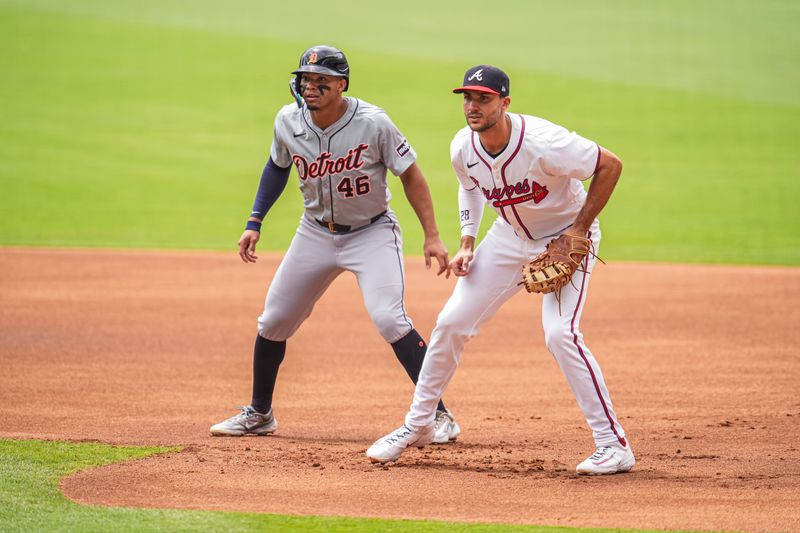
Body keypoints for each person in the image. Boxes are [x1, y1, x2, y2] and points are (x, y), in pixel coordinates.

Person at [366, 65, 634, 475]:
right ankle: (418, 424)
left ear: (505, 103)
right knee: (452, 322)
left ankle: (612, 445)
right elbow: (470, 186)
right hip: (508, 238)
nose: (473, 106)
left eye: (483, 98)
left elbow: (610, 165)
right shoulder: (463, 146)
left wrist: (578, 229)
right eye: (467, 98)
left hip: (566, 238)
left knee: (561, 334)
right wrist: (468, 241)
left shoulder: (546, 142)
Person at [210, 45, 461, 443]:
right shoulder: (287, 120)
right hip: (314, 232)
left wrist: (431, 235)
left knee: (389, 319)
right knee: (273, 320)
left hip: (371, 232)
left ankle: (441, 415)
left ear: (341, 85)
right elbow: (276, 166)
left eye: (320, 82)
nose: (310, 88)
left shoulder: (373, 123)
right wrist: (254, 221)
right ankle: (260, 413)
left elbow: (410, 174)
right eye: (305, 80)